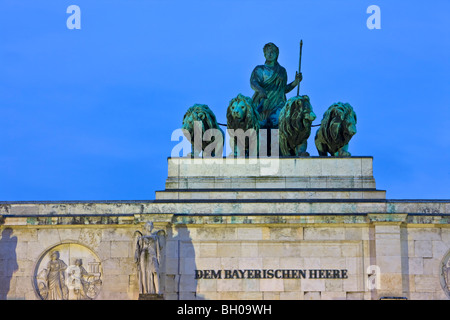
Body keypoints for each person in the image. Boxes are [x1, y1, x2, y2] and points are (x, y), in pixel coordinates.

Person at [250, 42, 302, 129]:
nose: (270, 54)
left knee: (279, 124)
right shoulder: (260, 69)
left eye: (272, 52)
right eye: (268, 52)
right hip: (264, 103)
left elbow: (283, 89)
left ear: (276, 54)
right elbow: (253, 82)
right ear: (264, 54)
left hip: (278, 104)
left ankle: (276, 142)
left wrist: (295, 82)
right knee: (262, 125)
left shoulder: (281, 71)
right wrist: (260, 90)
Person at [134, 222, 165, 295]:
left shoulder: (155, 237)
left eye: (151, 226)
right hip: (144, 255)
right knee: (144, 273)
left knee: (155, 272)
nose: (150, 227)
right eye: (148, 226)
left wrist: (159, 258)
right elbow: (138, 249)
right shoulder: (142, 238)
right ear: (145, 227)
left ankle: (157, 290)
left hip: (153, 256)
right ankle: (145, 291)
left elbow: (158, 249)